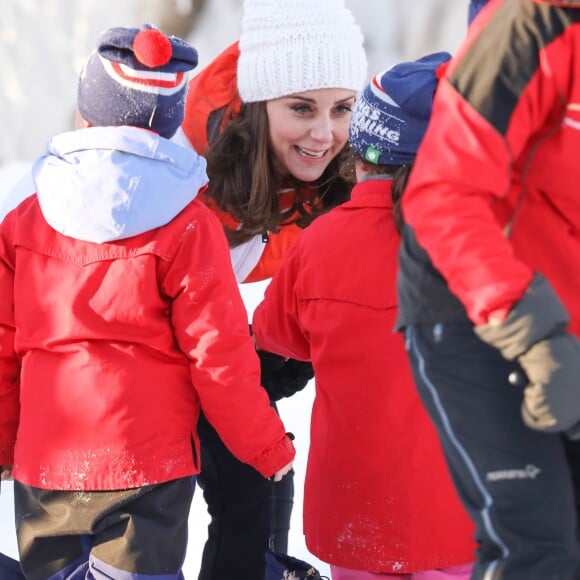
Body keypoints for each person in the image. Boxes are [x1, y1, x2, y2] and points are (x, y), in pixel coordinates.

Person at [0, 24, 295, 580]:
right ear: (166, 122)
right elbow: (220, 357)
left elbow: (2, 346)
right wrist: (265, 447)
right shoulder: (188, 225)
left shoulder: (24, 222)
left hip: (47, 461)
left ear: (87, 113)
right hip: (147, 467)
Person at [251, 53, 476, 580]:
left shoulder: (319, 244)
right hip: (457, 518)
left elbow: (275, 335)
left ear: (358, 152)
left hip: (353, 515)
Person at [180, 1, 367, 578]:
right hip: (132, 361)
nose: (324, 132)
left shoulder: (327, 172)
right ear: (260, 106)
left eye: (342, 109)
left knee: (260, 483)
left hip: (212, 347)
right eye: (301, 108)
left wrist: (282, 356)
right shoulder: (189, 172)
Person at [396, 1, 580, 578]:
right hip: (472, 308)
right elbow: (442, 192)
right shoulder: (536, 25)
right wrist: (536, 335)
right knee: (539, 549)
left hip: (563, 318)